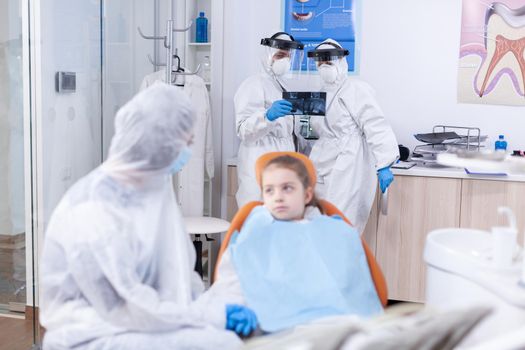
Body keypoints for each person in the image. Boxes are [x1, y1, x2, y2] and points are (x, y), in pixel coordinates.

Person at [39, 84, 255, 350]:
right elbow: (125, 304)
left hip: (147, 321)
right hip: (93, 333)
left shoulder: (154, 191)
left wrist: (204, 307)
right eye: (186, 142)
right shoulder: (94, 205)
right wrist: (207, 316)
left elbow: (177, 271)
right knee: (222, 344)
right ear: (157, 141)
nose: (188, 151)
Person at [214, 152, 383, 333]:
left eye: (287, 188)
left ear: (307, 194)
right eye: (269, 190)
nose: (277, 197)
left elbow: (351, 288)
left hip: (325, 322)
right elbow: (234, 277)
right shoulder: (257, 227)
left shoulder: (331, 230)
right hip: (273, 323)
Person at [306, 39, 399, 234]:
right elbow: (315, 132)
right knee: (315, 223)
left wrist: (384, 163)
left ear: (341, 62)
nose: (325, 66)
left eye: (329, 61)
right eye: (321, 62)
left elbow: (375, 124)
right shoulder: (320, 93)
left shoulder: (356, 89)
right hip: (322, 162)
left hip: (349, 163)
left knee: (341, 224)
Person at [234, 32, 304, 207]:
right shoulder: (252, 84)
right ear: (268, 55)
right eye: (280, 55)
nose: (284, 61)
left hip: (284, 161)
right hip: (260, 158)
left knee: (280, 218)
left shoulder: (284, 86)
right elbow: (243, 130)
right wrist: (267, 116)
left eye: (288, 57)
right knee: (256, 216)